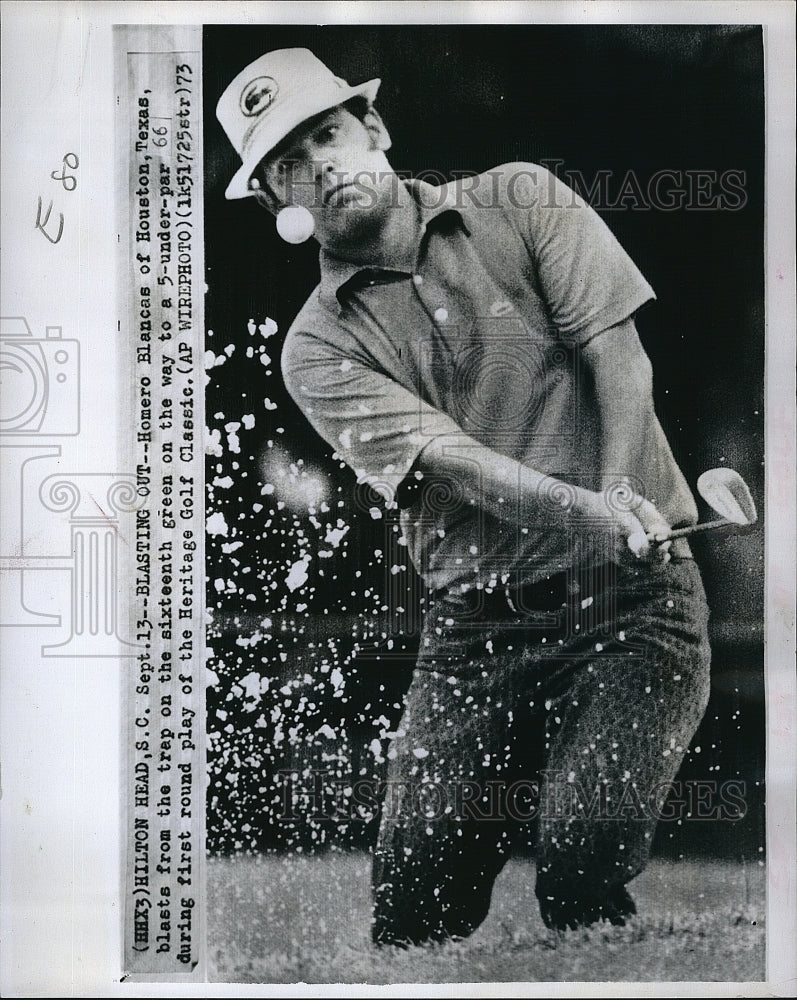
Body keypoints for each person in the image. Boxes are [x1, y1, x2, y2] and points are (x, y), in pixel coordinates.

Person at [216, 48, 712, 945]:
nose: (321, 165)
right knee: (410, 916)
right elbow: (457, 464)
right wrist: (596, 517)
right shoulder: (315, 346)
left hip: (636, 606)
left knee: (578, 869)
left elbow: (618, 357)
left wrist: (622, 501)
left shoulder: (522, 197)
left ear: (373, 129)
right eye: (289, 162)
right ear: (273, 204)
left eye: (328, 133)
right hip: (476, 631)